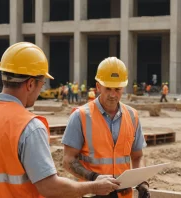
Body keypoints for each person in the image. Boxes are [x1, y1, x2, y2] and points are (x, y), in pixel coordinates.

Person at [0, 42, 120, 198]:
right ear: (30, 84)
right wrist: (94, 186)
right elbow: (50, 188)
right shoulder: (29, 127)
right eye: (41, 84)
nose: (40, 90)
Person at [62, 57, 150, 198]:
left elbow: (138, 156)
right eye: (108, 88)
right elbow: (68, 160)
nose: (113, 94)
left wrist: (142, 182)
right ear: (98, 87)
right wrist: (94, 179)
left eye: (117, 89)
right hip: (92, 194)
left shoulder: (132, 116)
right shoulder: (80, 116)